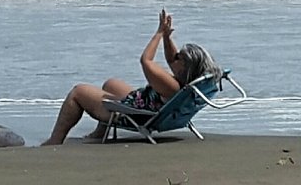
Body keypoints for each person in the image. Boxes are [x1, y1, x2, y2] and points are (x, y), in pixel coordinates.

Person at [42, 9, 222, 145]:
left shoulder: (171, 86)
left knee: (78, 92)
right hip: (147, 104)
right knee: (111, 84)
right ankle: (100, 133)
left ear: (186, 68)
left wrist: (159, 33)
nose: (174, 58)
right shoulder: (187, 84)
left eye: (179, 58)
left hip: (137, 114)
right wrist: (167, 36)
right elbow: (170, 58)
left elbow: (146, 60)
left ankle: (55, 140)